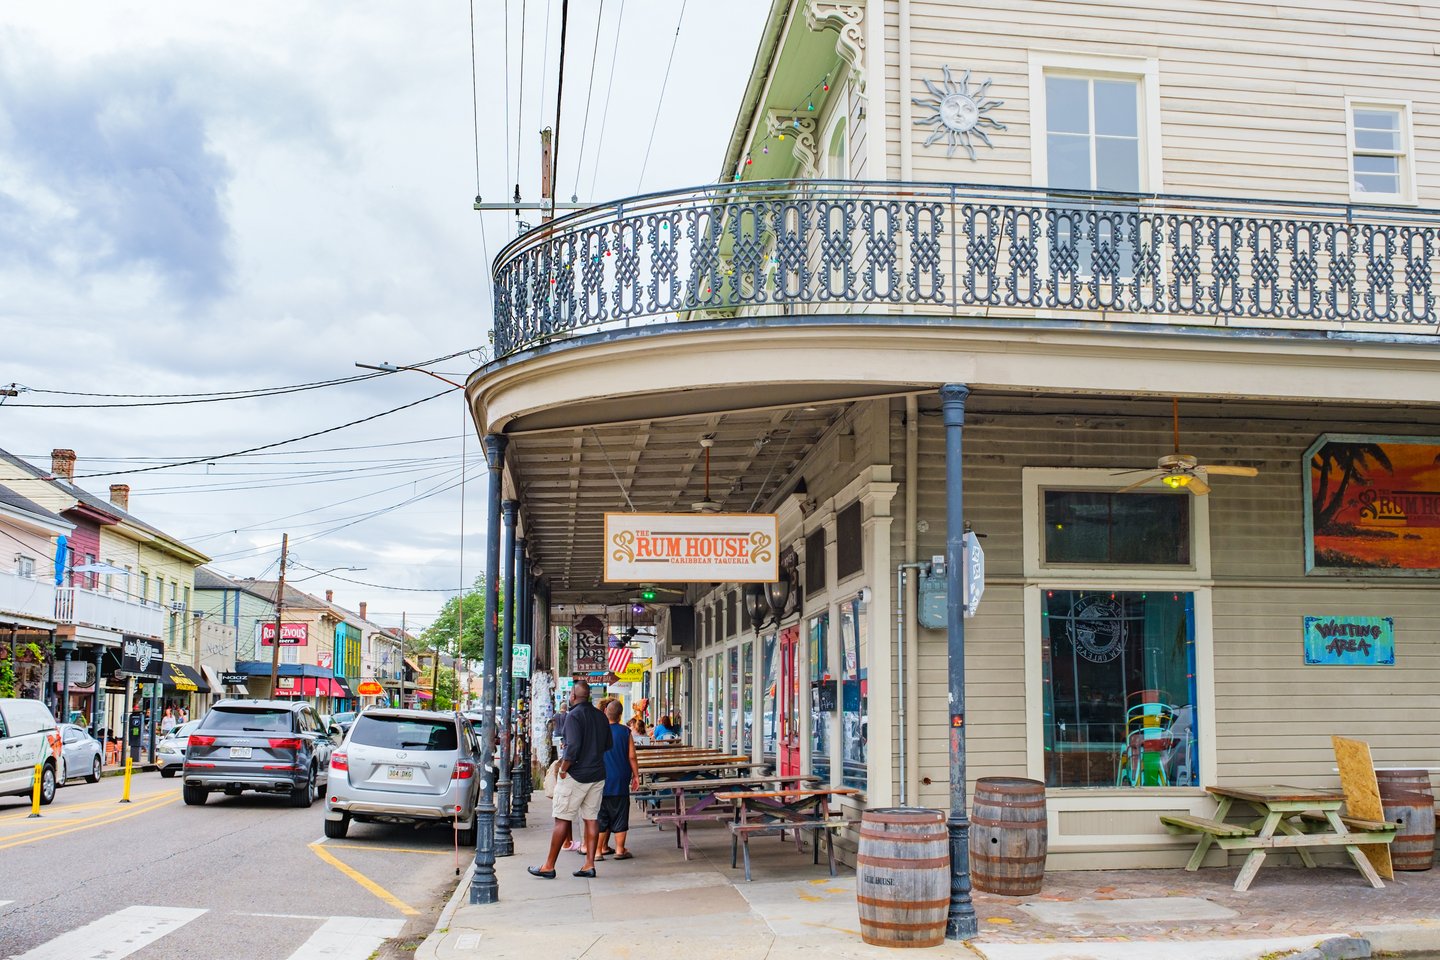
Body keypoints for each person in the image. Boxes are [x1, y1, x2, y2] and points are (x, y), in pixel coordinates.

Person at [529, 680, 611, 879]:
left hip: (575, 775)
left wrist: (564, 769)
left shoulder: (573, 716)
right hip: (597, 774)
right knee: (591, 818)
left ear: (573, 696)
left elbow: (572, 747)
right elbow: (608, 744)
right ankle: (589, 864)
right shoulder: (601, 716)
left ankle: (549, 865)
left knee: (562, 818)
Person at [596, 699, 639, 862]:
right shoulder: (625, 732)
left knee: (601, 815)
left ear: (606, 711)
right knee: (620, 812)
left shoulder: (598, 731)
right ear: (620, 715)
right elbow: (632, 756)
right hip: (620, 778)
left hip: (601, 778)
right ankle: (620, 849)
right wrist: (636, 775)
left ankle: (598, 851)